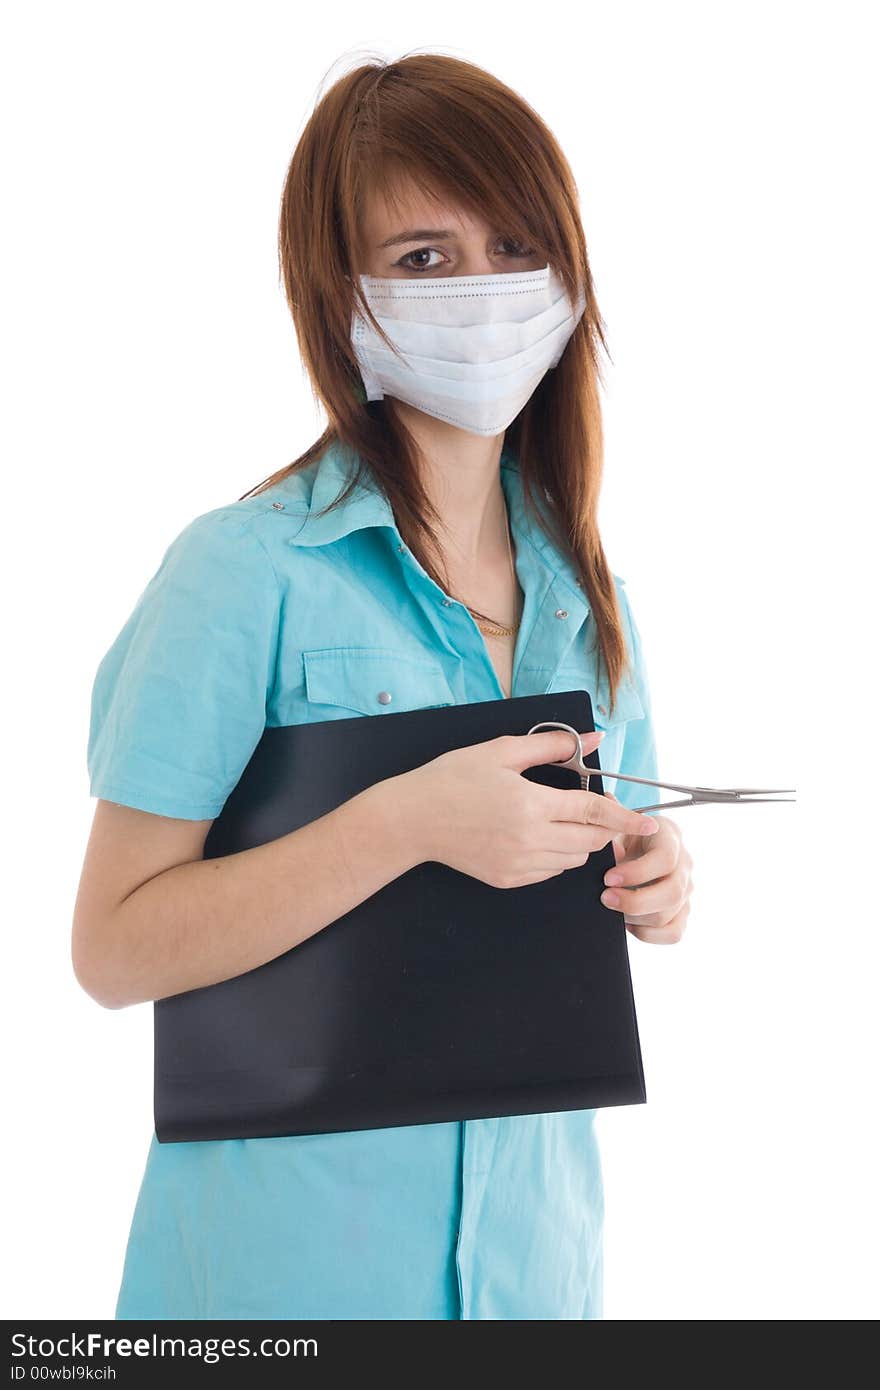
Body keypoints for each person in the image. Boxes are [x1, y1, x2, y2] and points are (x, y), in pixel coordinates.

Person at [73, 51, 694, 1321]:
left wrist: (651, 875)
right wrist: (402, 823)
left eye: (514, 245)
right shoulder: (241, 572)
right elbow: (113, 947)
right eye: (422, 258)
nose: (481, 291)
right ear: (337, 296)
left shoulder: (591, 596)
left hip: (536, 1274)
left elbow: (588, 859)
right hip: (275, 1289)